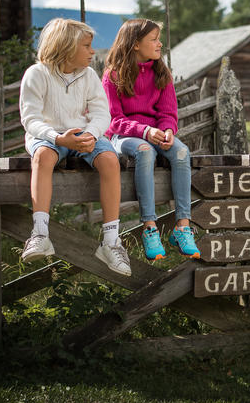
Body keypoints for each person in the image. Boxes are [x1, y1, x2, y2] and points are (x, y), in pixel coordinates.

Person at [18, 18, 131, 276]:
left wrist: (90, 135)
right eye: (87, 46)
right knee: (43, 158)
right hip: (48, 135)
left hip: (83, 134)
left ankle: (111, 242)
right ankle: (40, 234)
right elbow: (31, 119)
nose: (93, 51)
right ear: (66, 46)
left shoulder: (89, 75)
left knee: (110, 161)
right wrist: (57, 138)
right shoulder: (36, 74)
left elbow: (103, 114)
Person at [102, 18, 199, 261]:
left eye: (159, 40)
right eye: (153, 40)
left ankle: (182, 227)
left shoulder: (161, 72)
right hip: (124, 137)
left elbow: (168, 112)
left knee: (181, 152)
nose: (159, 45)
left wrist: (168, 130)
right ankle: (150, 228)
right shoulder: (113, 76)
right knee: (145, 151)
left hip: (157, 133)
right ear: (135, 44)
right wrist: (145, 132)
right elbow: (113, 120)